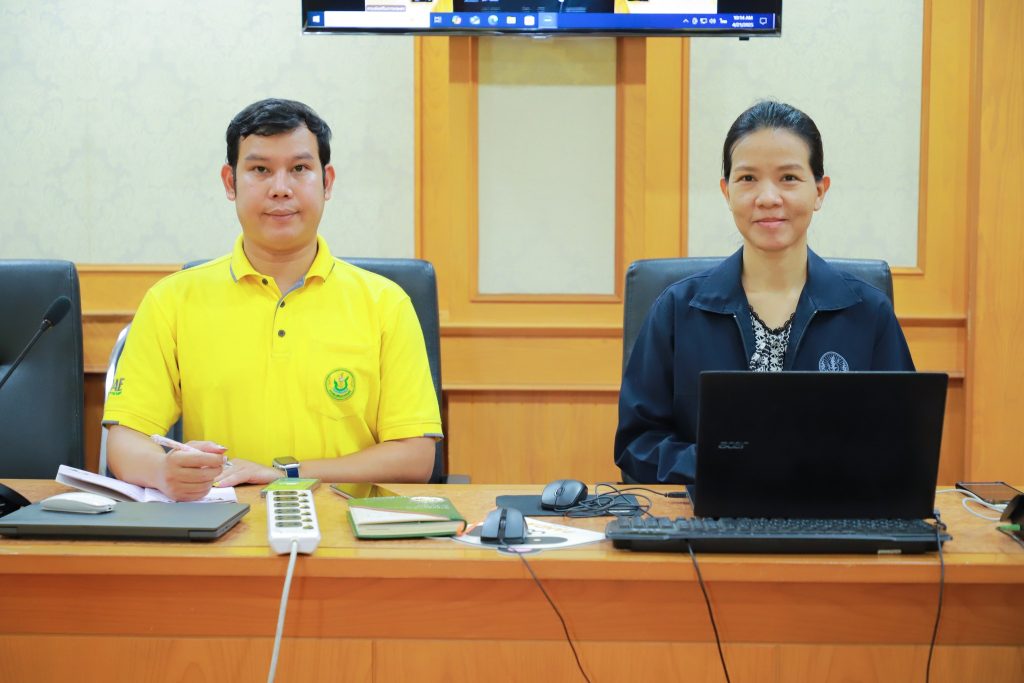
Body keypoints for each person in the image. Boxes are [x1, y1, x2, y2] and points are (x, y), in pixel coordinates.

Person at [103, 98, 442, 501]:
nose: (281, 189)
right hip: (219, 524)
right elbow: (125, 439)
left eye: (299, 169)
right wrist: (163, 471)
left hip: (348, 526)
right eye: (260, 170)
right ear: (230, 182)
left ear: (327, 182)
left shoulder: (386, 304)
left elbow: (415, 456)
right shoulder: (171, 300)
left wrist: (284, 474)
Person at [614, 100, 914, 484]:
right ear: (726, 192)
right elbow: (638, 443)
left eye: (788, 177)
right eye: (747, 178)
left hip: (830, 512)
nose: (768, 197)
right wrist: (726, 464)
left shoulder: (868, 312)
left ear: (820, 191)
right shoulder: (676, 309)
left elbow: (902, 440)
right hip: (707, 513)